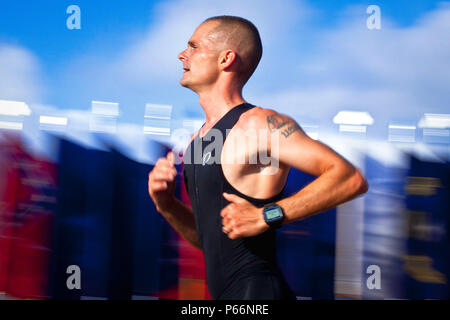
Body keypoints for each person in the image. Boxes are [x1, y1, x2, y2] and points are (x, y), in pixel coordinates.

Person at [148, 15, 369, 300]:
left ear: (226, 58)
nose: (182, 54)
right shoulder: (197, 141)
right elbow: (210, 241)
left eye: (194, 46)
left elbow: (349, 178)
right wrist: (166, 204)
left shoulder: (260, 125)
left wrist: (268, 215)